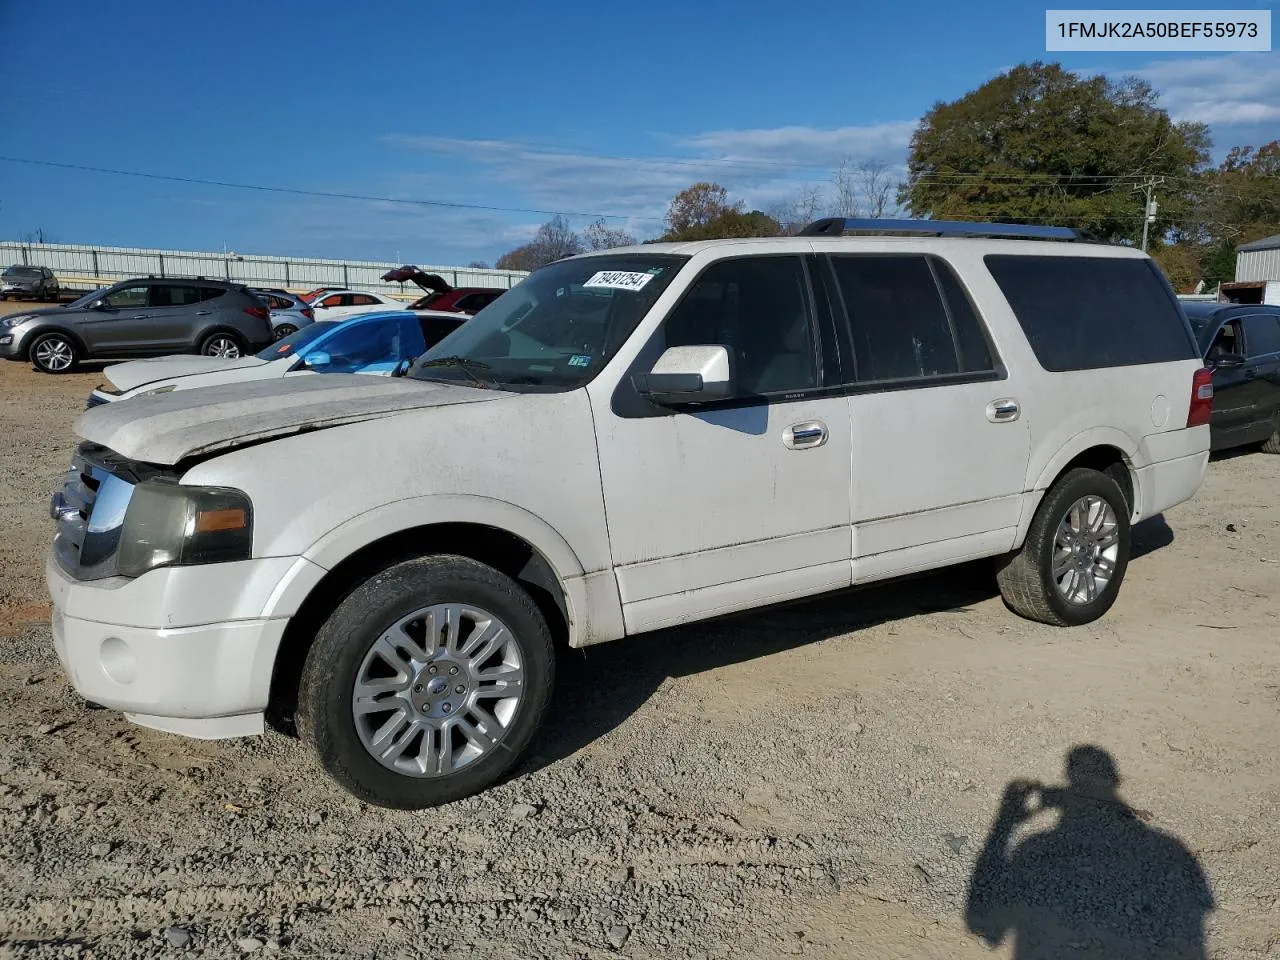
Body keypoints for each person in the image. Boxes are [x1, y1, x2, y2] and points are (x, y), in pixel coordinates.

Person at [966, 745, 1213, 959]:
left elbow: (984, 929)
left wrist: (1004, 822)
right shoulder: (1170, 850)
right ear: (1116, 780)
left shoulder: (1032, 848)